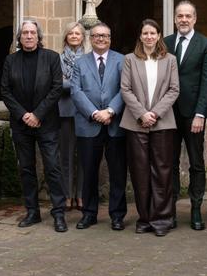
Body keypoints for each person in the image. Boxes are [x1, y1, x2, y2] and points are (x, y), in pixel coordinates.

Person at [0, 19, 67, 232]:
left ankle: (58, 213)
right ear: (19, 38)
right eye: (25, 33)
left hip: (46, 123)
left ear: (39, 37)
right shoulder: (11, 60)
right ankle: (32, 212)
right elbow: (5, 91)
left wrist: (37, 114)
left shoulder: (52, 58)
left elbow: (56, 89)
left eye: (32, 33)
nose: (29, 36)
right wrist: (23, 115)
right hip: (21, 125)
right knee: (26, 169)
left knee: (53, 168)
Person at [121, 19, 180, 236]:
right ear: (140, 36)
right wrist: (142, 114)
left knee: (162, 172)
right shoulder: (130, 59)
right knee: (140, 173)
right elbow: (125, 89)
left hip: (162, 122)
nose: (149, 37)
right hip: (136, 124)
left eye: (152, 33)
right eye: (145, 33)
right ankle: (144, 218)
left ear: (158, 35)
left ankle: (162, 219)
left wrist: (154, 113)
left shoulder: (170, 60)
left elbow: (174, 90)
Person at [163, 1, 207, 231]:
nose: (183, 20)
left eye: (188, 16)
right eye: (180, 16)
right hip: (168, 113)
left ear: (194, 19)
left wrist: (200, 113)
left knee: (196, 163)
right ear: (175, 19)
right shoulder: (164, 43)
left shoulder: (206, 44)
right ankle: (171, 210)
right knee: (169, 162)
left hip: (193, 113)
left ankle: (196, 209)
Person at [70, 22, 126, 231]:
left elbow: (125, 89)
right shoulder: (80, 62)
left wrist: (110, 111)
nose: (101, 39)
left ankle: (117, 215)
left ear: (110, 38)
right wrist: (95, 113)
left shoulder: (122, 60)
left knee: (118, 172)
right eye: (96, 36)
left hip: (115, 125)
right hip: (88, 124)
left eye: (105, 35)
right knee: (89, 172)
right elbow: (76, 91)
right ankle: (89, 214)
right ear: (90, 39)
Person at [58, 21, 86, 210]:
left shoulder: (90, 58)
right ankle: (67, 195)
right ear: (66, 37)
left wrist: (69, 82)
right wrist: (78, 84)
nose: (74, 36)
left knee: (84, 157)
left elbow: (93, 85)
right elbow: (57, 85)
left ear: (83, 37)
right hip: (65, 113)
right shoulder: (58, 59)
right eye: (71, 33)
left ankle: (81, 195)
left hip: (85, 112)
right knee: (66, 156)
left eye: (77, 33)